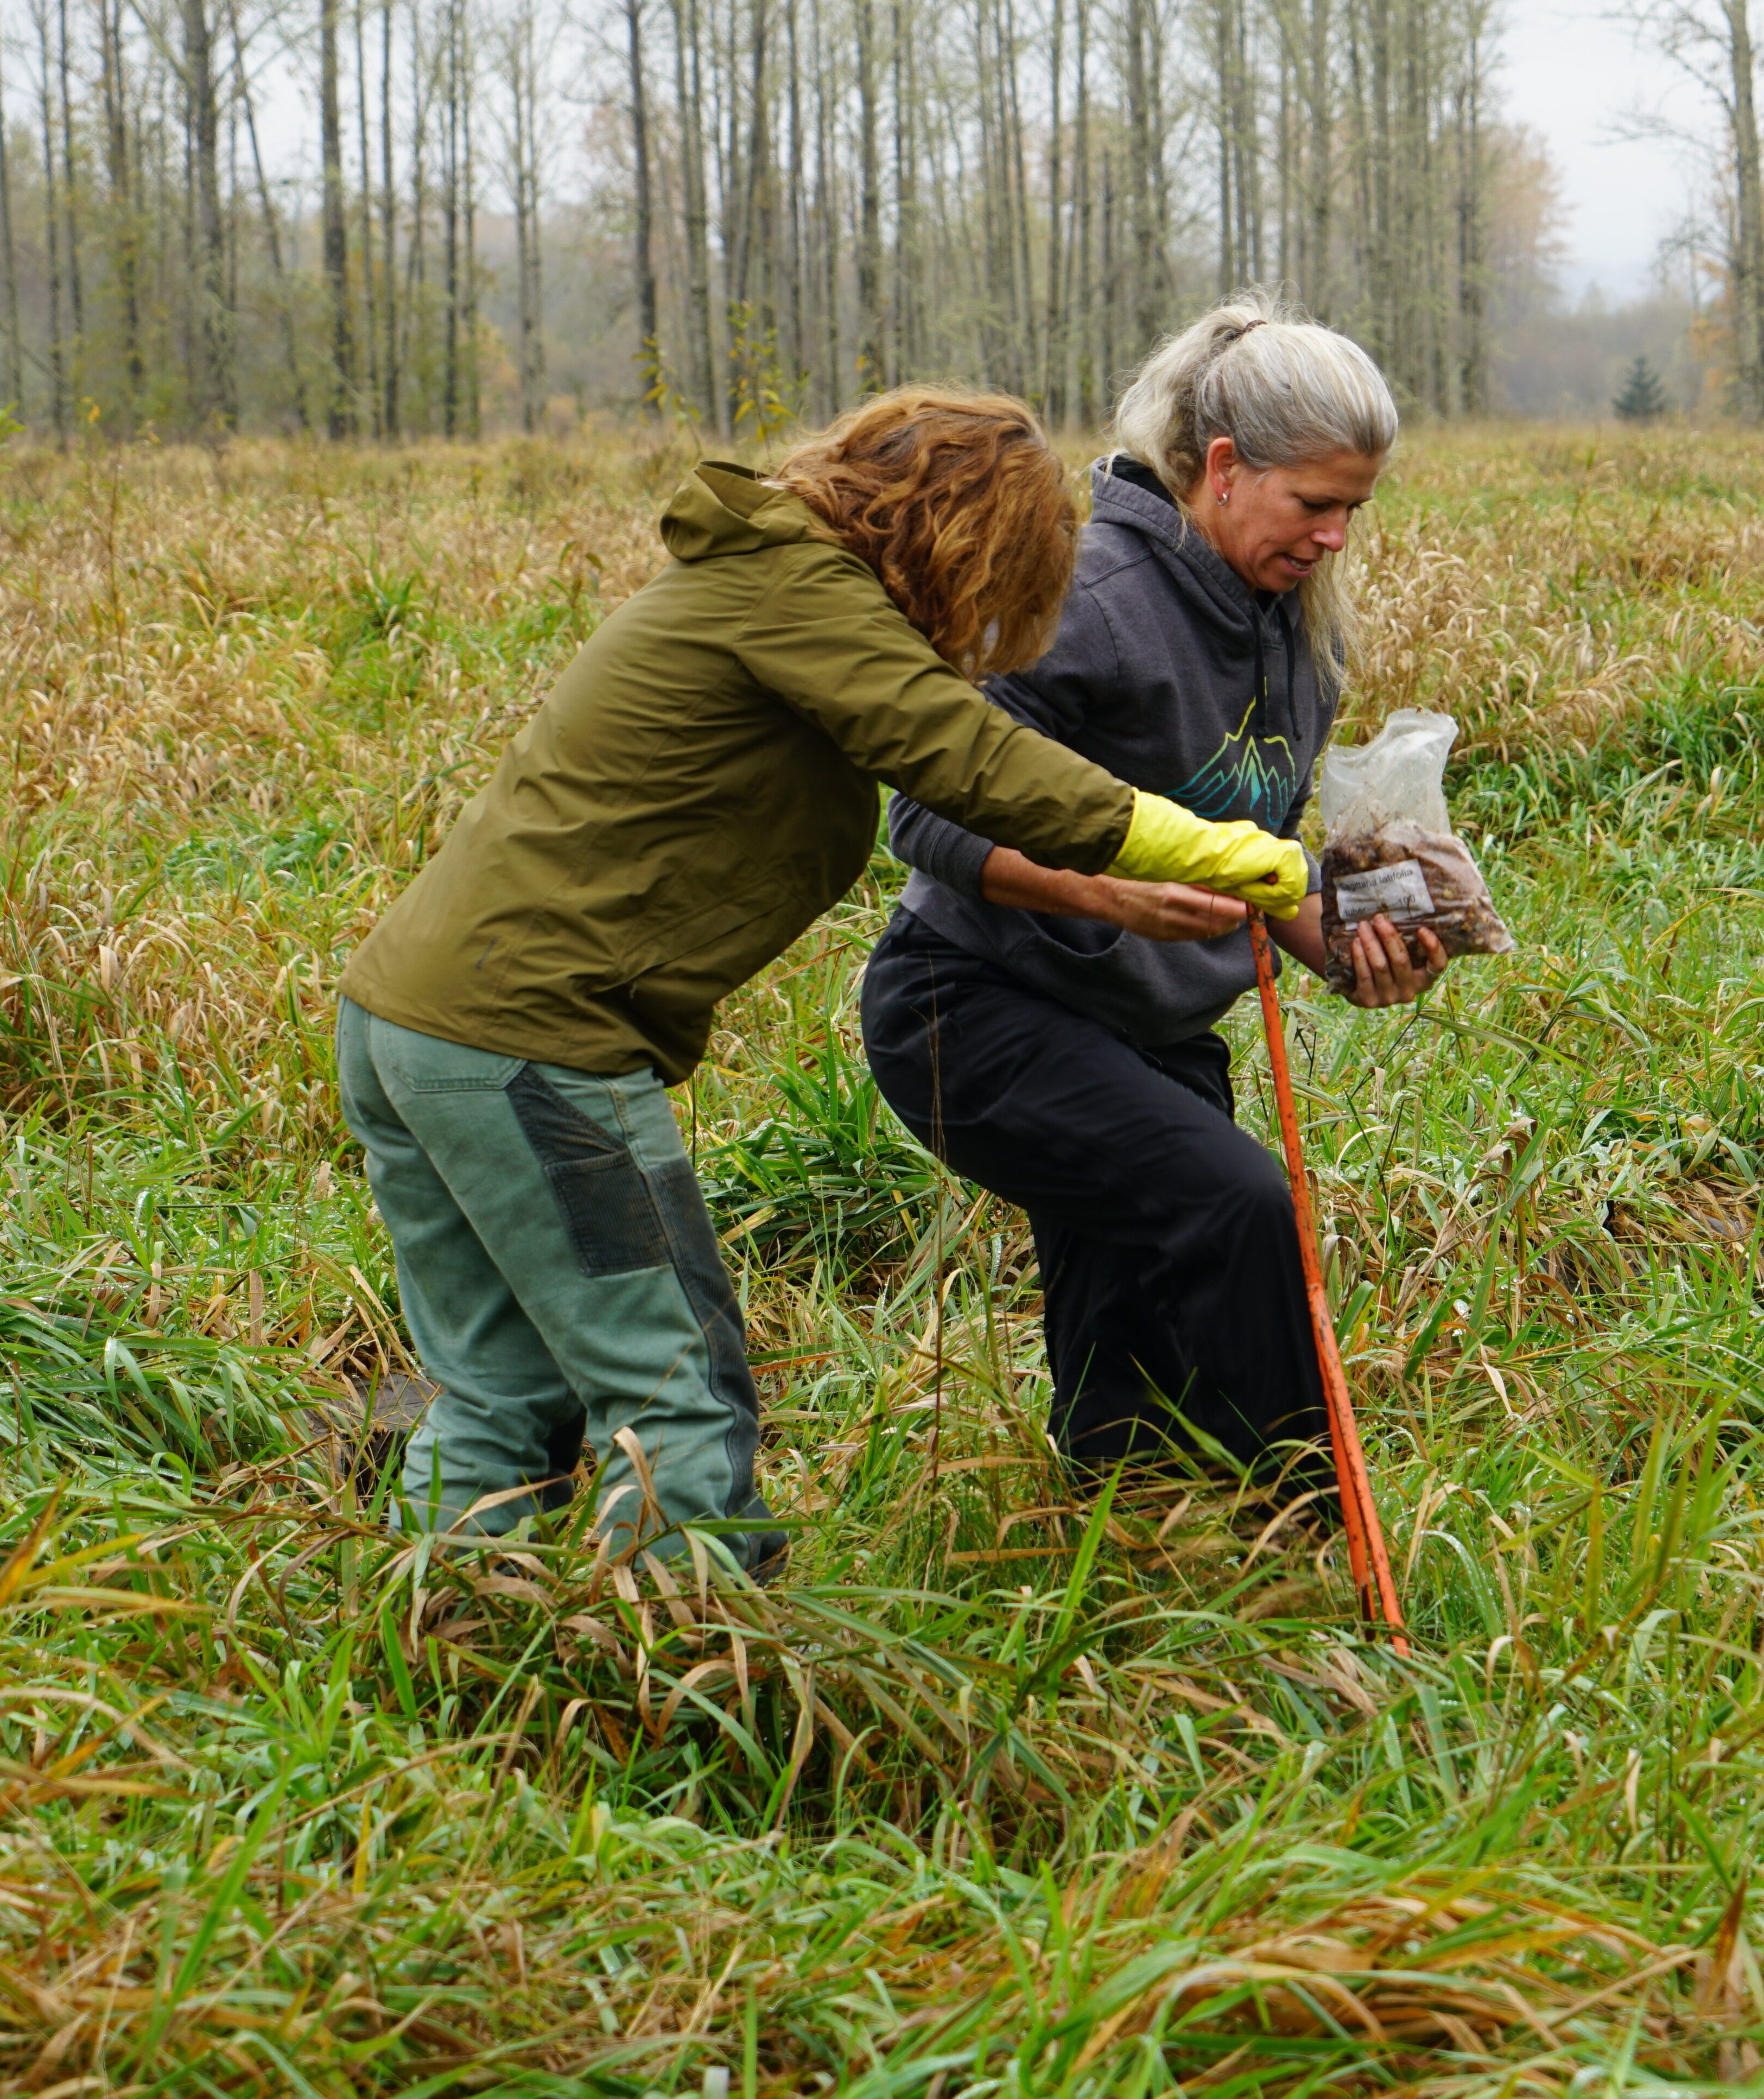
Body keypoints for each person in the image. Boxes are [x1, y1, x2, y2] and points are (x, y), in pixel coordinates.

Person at [334, 389, 1306, 1573]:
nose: (987, 632)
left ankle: (427, 1647)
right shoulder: (800, 589)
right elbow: (966, 759)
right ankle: (689, 1692)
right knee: (676, 1389)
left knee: (498, 1389)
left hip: (414, 1033)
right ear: (958, 539)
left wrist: (1110, 889)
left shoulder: (763, 577)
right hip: (530, 1057)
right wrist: (1218, 848)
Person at [859, 299, 1441, 1499]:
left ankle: (1123, 1547)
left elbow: (1253, 853)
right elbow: (921, 815)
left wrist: (1345, 949)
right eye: (1314, 504)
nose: (1335, 537)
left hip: (1146, 1028)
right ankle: (1305, 1525)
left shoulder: (1294, 629)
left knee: (1123, 1329)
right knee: (1238, 1209)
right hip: (968, 1007)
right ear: (1223, 468)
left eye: (1355, 509)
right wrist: (1112, 893)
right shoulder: (1090, 594)